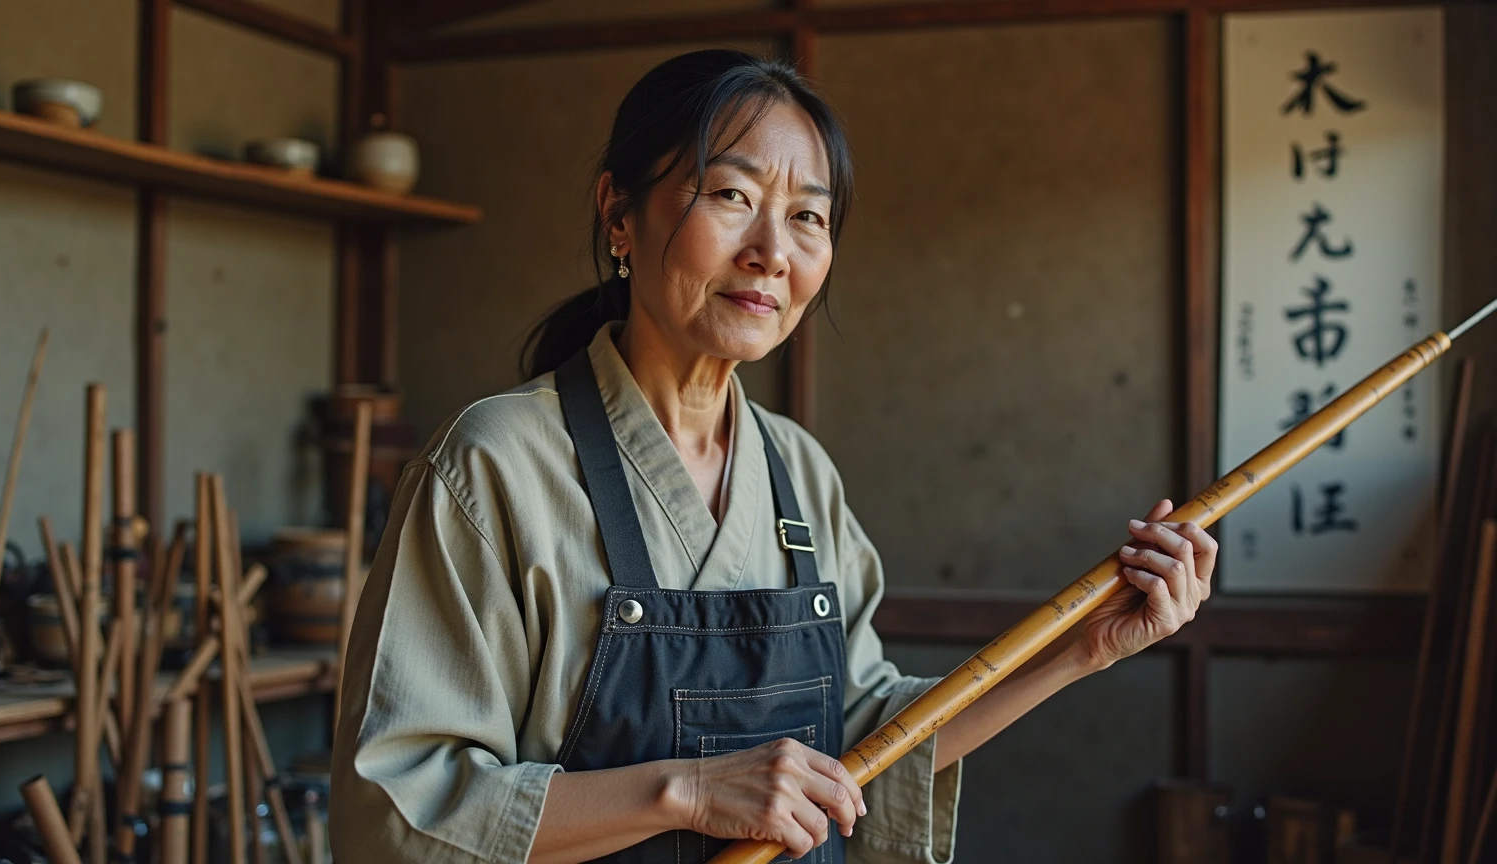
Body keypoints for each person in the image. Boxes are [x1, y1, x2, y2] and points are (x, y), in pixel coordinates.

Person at [330, 49, 1216, 864]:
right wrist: (686, 792)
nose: (771, 253)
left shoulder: (798, 470)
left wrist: (1079, 652)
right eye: (730, 196)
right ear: (618, 214)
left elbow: (867, 742)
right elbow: (398, 811)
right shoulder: (493, 465)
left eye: (806, 218)